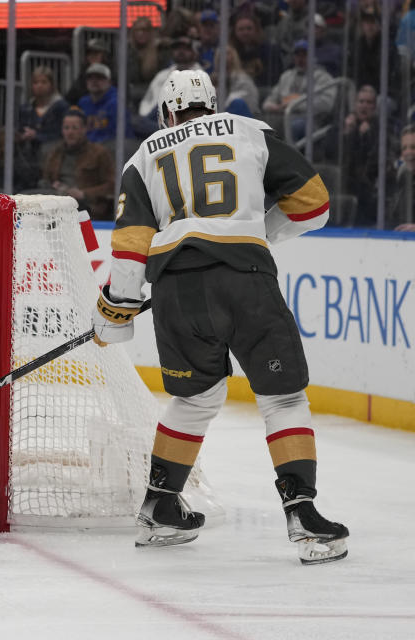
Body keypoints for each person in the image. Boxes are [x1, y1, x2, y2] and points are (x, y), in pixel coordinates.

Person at [92, 69, 348, 564]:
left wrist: (118, 311)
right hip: (245, 281)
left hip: (176, 292)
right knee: (283, 398)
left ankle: (159, 508)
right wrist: (255, 231)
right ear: (212, 103)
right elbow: (314, 205)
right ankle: (303, 515)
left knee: (194, 399)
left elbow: (128, 249)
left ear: (168, 112)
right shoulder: (249, 130)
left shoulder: (144, 154)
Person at [37, 109, 115, 220]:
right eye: (66, 128)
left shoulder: (99, 153)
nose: (70, 132)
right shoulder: (55, 152)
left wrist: (83, 194)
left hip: (87, 207)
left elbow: (112, 186)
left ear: (84, 129)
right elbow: (46, 180)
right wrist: (54, 186)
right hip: (58, 201)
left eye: (75, 128)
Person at [262, 40, 336, 143]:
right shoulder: (286, 76)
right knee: (260, 124)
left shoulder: (323, 77)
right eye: (297, 55)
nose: (300, 59)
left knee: (295, 126)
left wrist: (295, 103)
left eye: (304, 55)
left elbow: (326, 104)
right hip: (283, 116)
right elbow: (269, 100)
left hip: (310, 121)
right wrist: (273, 106)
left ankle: (291, 158)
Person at [341, 86, 380, 223]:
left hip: (369, 186)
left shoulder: (380, 127)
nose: (364, 106)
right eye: (361, 101)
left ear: (375, 107)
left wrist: (368, 136)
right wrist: (347, 132)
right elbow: (330, 151)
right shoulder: (345, 124)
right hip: (345, 182)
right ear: (355, 104)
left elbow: (376, 160)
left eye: (369, 102)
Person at [17, 66, 69, 164]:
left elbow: (62, 134)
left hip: (53, 149)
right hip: (29, 149)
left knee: (46, 149)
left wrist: (37, 136)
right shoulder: (26, 108)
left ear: (52, 85)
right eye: (35, 82)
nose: (39, 86)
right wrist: (21, 136)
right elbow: (20, 129)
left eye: (44, 82)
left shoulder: (61, 107)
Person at [77, 62, 125, 144]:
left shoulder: (116, 103)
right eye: (90, 78)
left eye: (99, 78)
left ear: (109, 82)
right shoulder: (83, 102)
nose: (94, 81)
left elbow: (116, 136)